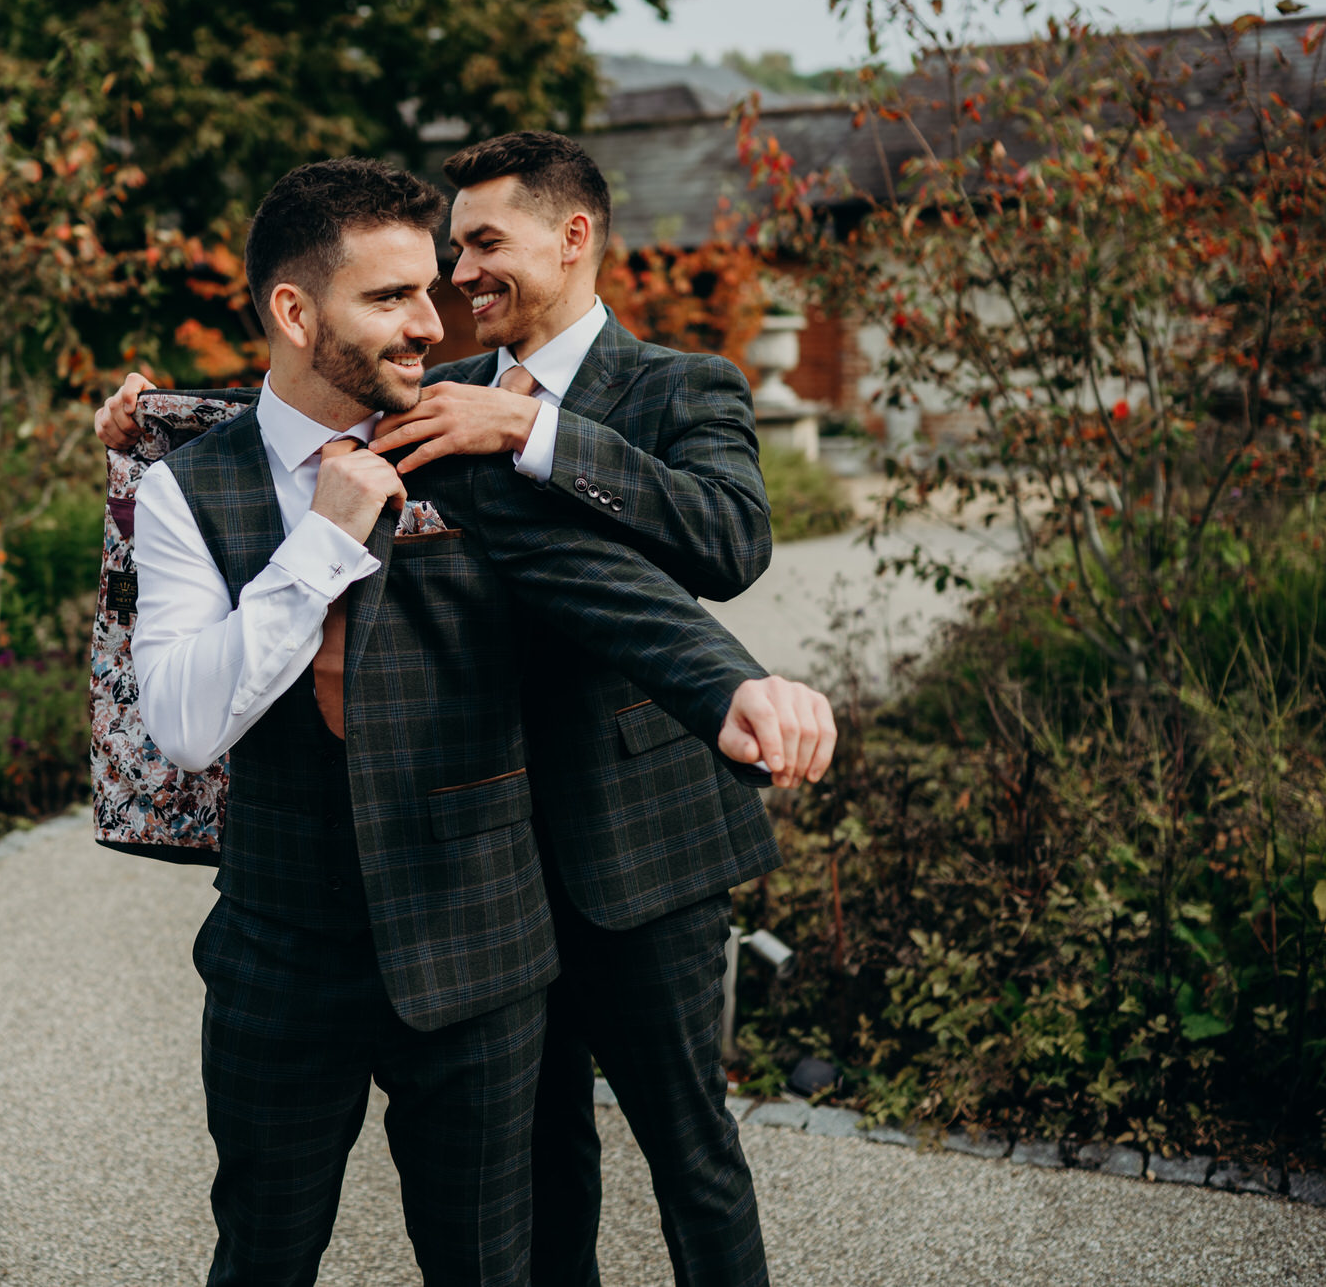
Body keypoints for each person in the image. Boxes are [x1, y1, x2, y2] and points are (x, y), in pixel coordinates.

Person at [128, 157, 831, 1287]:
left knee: (514, 1244)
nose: (434, 314)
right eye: (397, 294)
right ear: (299, 312)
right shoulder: (188, 490)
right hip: (282, 942)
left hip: (497, 915)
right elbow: (184, 718)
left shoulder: (482, 442)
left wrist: (733, 688)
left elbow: (618, 588)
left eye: (441, 279)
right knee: (261, 1247)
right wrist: (308, 529)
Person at [374, 130, 790, 1287]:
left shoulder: (679, 386)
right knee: (539, 1158)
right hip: (484, 857)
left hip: (642, 843)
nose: (459, 274)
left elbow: (728, 542)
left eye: (483, 243)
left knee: (689, 1151)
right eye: (455, 248)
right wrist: (147, 427)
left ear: (573, 236)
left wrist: (534, 432)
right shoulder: (437, 391)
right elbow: (296, 430)